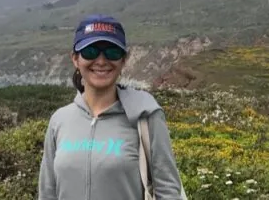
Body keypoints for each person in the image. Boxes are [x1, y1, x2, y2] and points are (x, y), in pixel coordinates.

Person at [37, 14, 187, 200]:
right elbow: (47, 192)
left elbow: (168, 190)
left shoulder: (146, 115)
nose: (101, 61)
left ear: (123, 60)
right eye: (90, 51)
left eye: (112, 52)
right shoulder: (59, 120)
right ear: (75, 59)